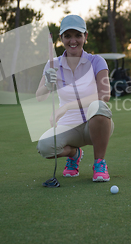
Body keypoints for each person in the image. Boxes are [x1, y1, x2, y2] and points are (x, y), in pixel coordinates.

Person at [36, 15, 114, 181]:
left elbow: (104, 94)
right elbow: (39, 97)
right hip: (68, 127)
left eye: (78, 35)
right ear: (61, 38)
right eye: (68, 36)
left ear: (85, 36)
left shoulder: (96, 61)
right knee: (44, 147)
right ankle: (74, 153)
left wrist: (66, 106)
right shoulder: (53, 64)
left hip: (96, 125)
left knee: (98, 106)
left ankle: (99, 162)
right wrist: (48, 85)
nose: (73, 40)